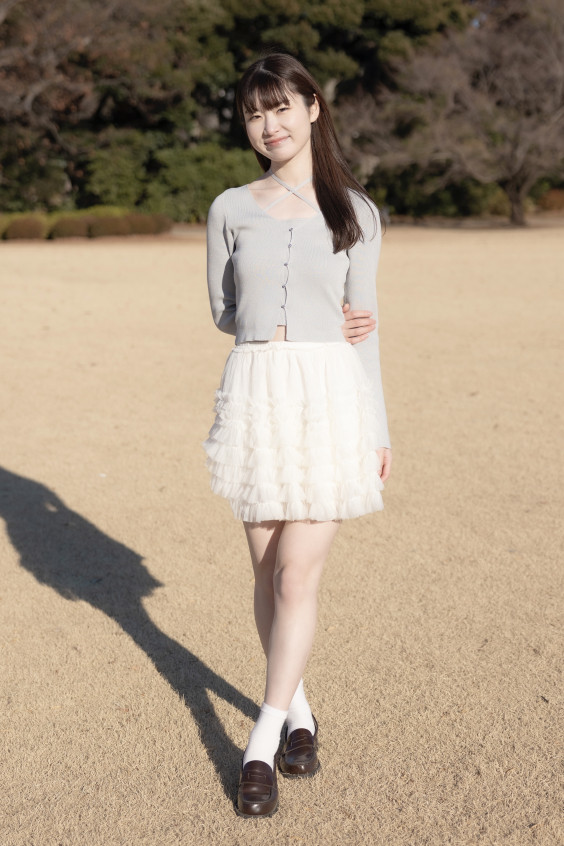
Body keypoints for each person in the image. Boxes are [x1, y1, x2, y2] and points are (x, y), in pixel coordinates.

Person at [203, 52, 392, 818]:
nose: (268, 124)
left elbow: (365, 326)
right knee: (265, 573)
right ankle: (300, 712)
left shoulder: (356, 212)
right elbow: (222, 310)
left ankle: (260, 743)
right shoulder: (228, 208)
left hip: (329, 396)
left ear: (313, 107)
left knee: (295, 577)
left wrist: (378, 429)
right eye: (254, 113)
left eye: (281, 106)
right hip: (257, 389)